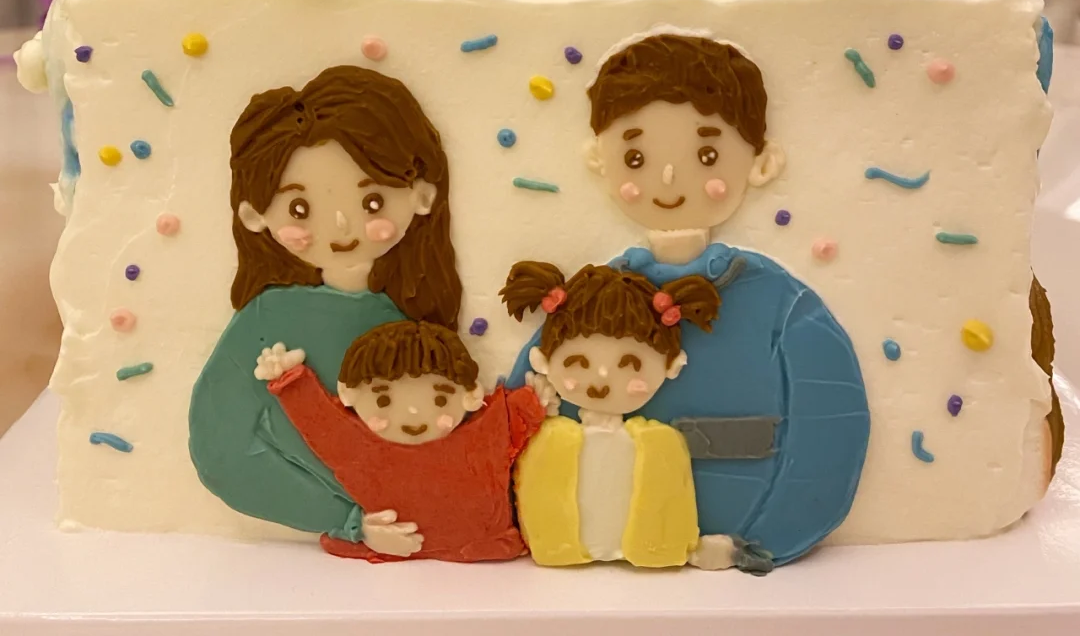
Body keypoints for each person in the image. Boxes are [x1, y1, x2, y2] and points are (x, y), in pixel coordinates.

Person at [507, 32, 870, 570]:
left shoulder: (781, 306)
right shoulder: (597, 298)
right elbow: (522, 412)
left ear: (761, 162)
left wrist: (763, 540)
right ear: (599, 159)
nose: (669, 178)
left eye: (707, 155)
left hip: (739, 526)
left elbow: (830, 427)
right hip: (593, 542)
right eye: (635, 156)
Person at [189, 65, 462, 557]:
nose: (340, 226)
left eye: (372, 201)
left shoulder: (414, 326)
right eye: (299, 209)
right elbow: (222, 452)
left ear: (423, 194)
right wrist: (346, 520)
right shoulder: (267, 322)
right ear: (254, 214)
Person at [502, 260, 733, 569]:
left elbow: (672, 505)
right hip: (562, 552)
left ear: (671, 365)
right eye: (577, 363)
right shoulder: (548, 442)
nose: (601, 380)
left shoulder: (661, 445)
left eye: (629, 364)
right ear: (542, 361)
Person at [255, 320, 544, 563]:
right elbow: (319, 421)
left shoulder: (484, 436)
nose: (413, 414)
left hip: (491, 549)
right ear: (348, 394)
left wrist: (534, 400)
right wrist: (290, 381)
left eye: (440, 399)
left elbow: (511, 419)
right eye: (383, 400)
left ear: (470, 395)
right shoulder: (359, 448)